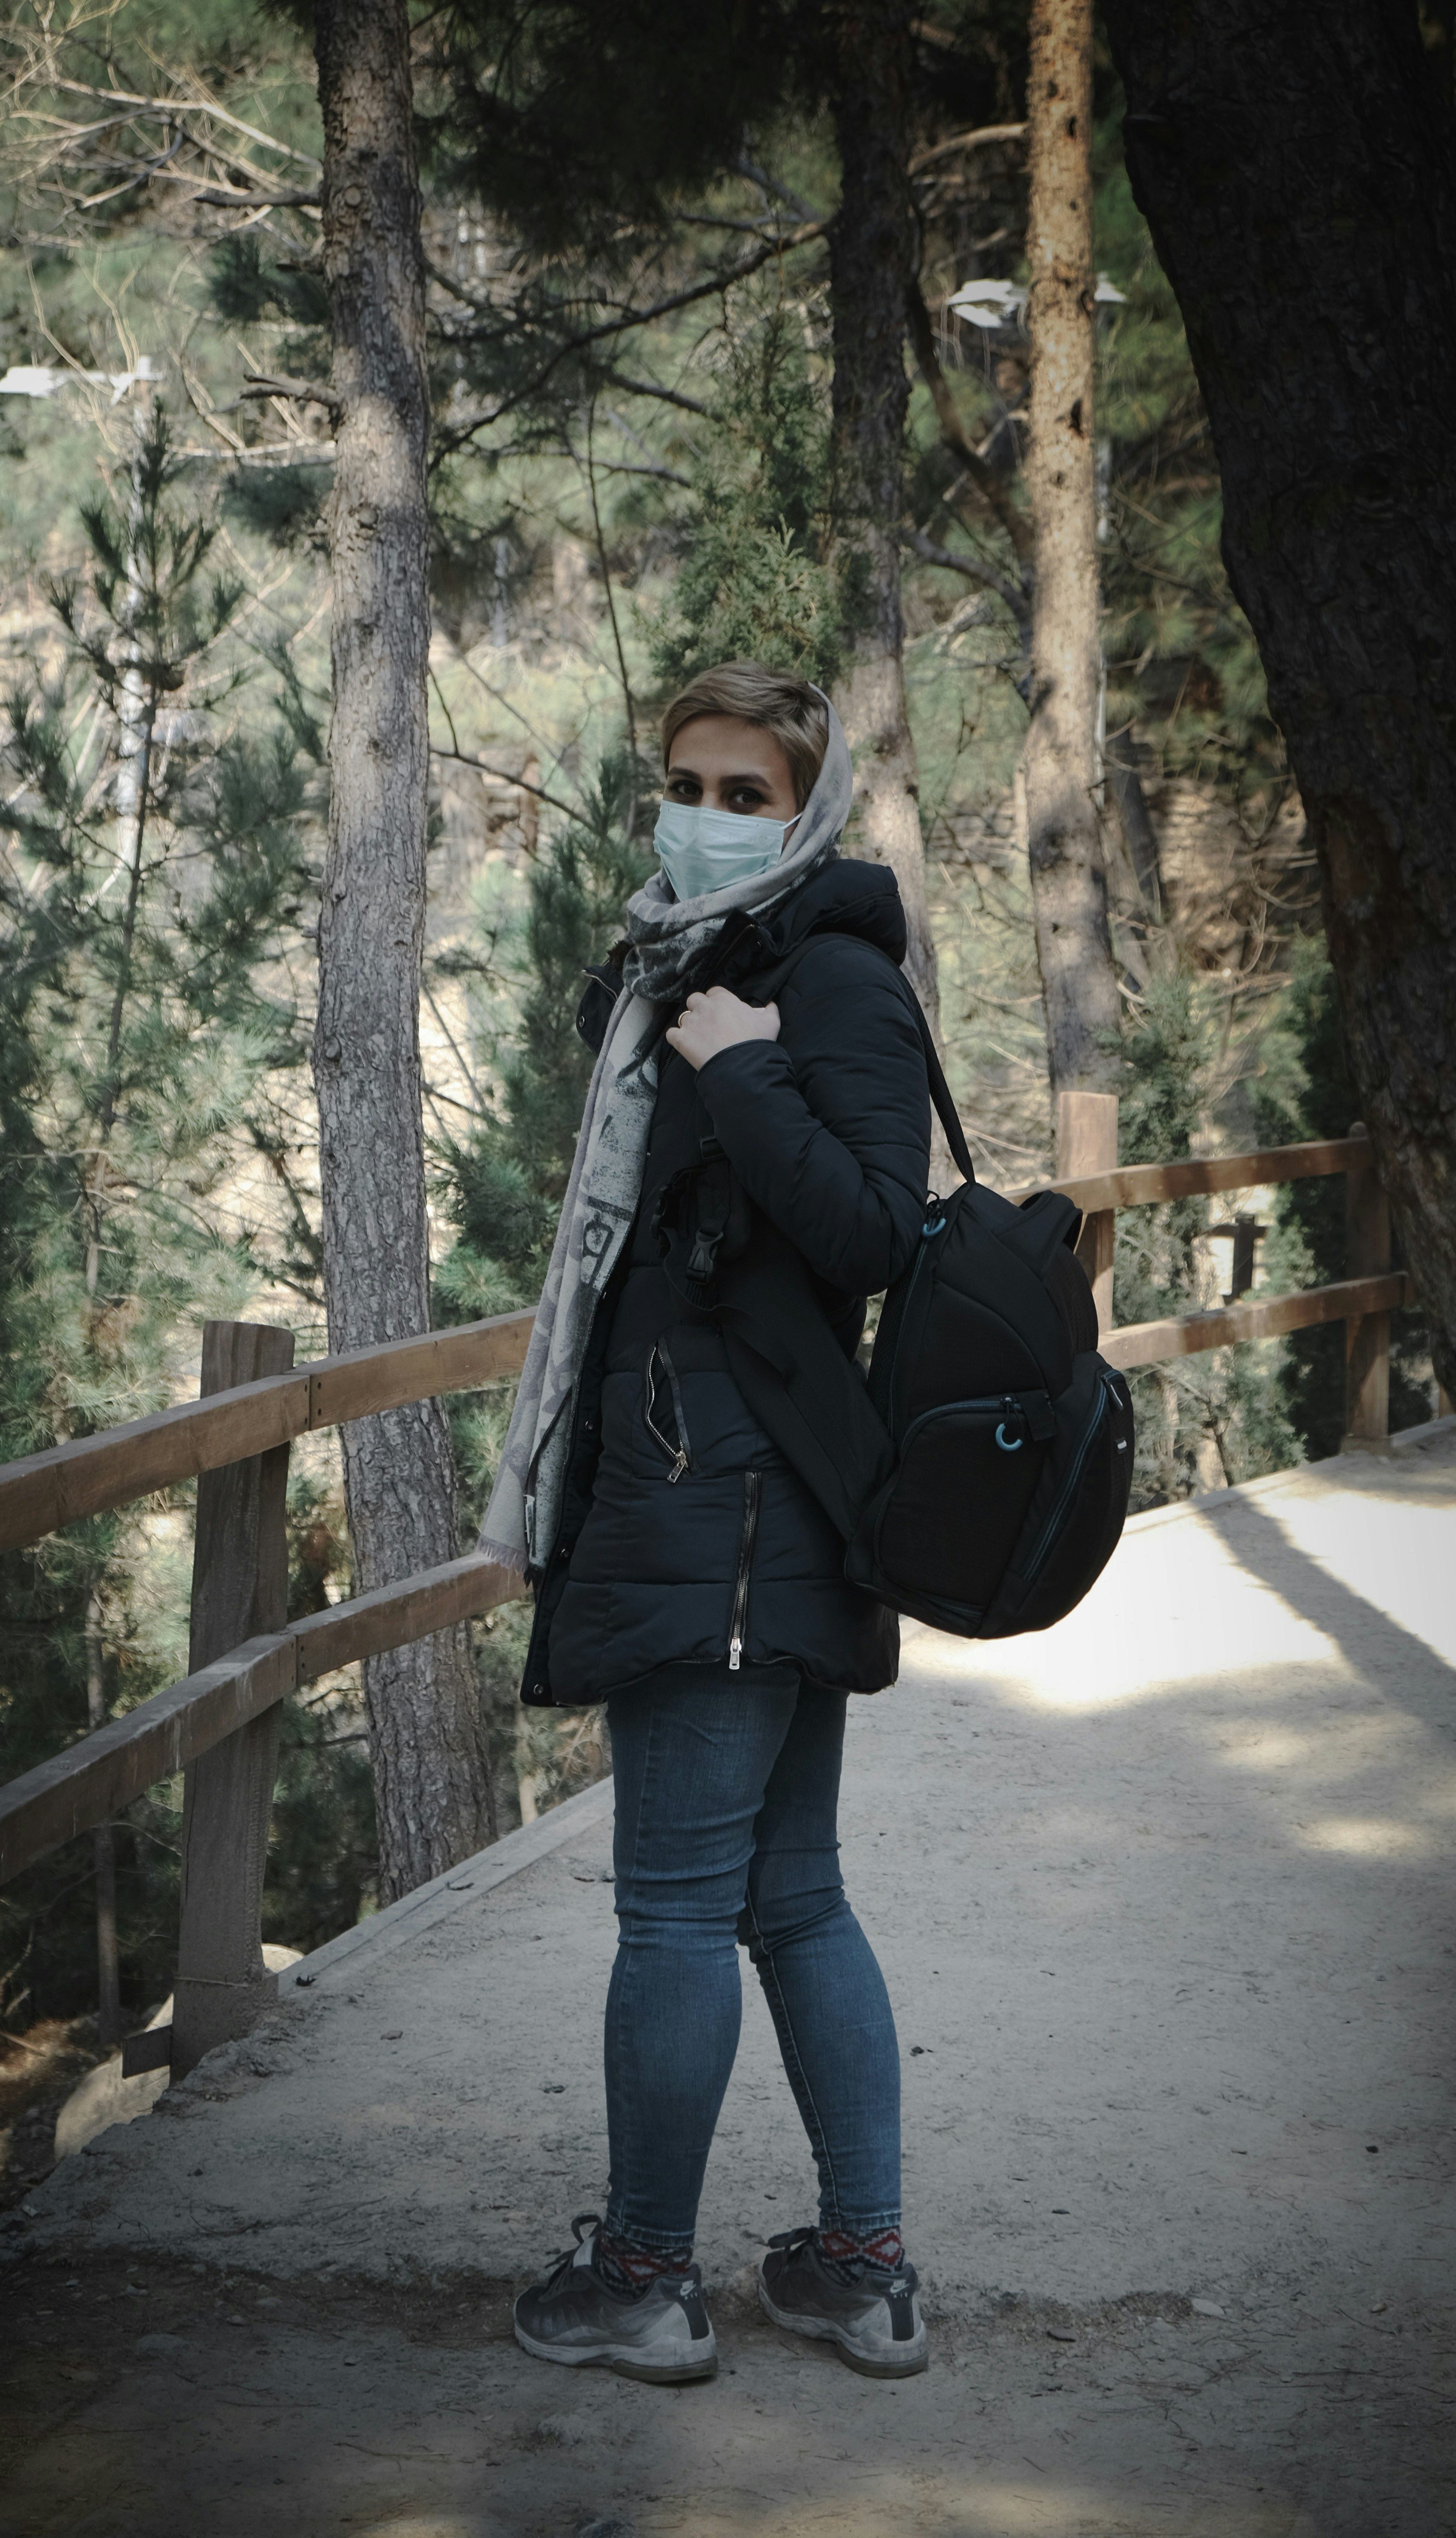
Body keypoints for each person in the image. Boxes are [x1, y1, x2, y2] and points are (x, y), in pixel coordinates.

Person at [478, 661, 933, 2386]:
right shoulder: (683, 959)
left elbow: (880, 1232)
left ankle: (652, 2280)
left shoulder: (818, 975)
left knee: (678, 1910)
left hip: (732, 1512)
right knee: (791, 1896)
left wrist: (746, 1070)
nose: (708, 814)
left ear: (806, 803)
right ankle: (860, 2269)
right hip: (737, 1502)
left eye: (747, 792)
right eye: (687, 781)